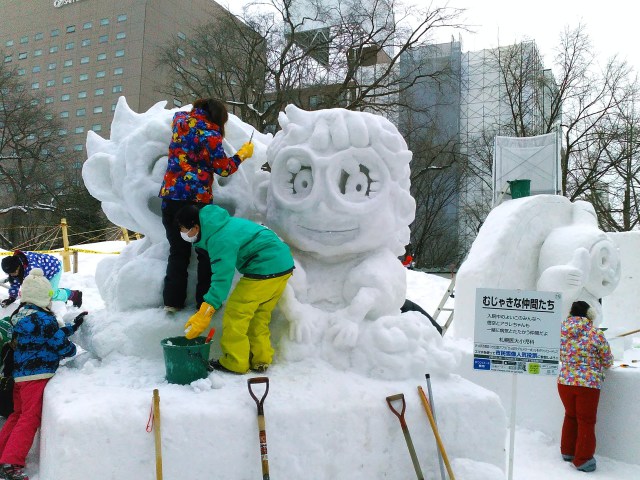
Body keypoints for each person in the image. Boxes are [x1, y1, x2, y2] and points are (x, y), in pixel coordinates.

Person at [158, 98, 254, 312]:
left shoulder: (179, 121)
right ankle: (205, 303)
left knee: (177, 252)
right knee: (205, 252)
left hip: (171, 197)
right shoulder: (211, 134)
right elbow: (224, 169)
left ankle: (172, 303)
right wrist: (241, 155)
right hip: (196, 202)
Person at [176, 204, 294, 374]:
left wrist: (206, 311)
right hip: (282, 265)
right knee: (259, 316)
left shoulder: (219, 237)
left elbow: (222, 278)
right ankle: (261, 359)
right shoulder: (220, 225)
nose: (183, 234)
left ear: (195, 227)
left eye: (184, 229)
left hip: (264, 267)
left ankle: (235, 362)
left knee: (235, 314)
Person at [0, 268, 86, 480]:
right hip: (36, 376)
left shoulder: (21, 316)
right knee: (29, 418)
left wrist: (71, 327)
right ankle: (11, 462)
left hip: (21, 376)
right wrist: (73, 350)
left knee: (17, 415)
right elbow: (59, 343)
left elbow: (47, 334)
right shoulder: (44, 320)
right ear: (43, 297)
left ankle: (3, 452)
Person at [557, 300, 613, 473]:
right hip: (587, 385)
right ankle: (583, 460)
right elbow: (607, 360)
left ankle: (567, 451)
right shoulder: (595, 333)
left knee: (570, 416)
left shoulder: (561, 331)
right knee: (586, 421)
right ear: (590, 314)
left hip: (564, 382)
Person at [1, 251, 82, 309]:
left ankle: (74, 295)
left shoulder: (33, 268)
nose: (12, 274)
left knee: (50, 294)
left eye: (13, 272)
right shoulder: (15, 267)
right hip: (42, 270)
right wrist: (11, 297)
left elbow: (39, 287)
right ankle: (60, 295)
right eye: (9, 273)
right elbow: (15, 282)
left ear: (18, 266)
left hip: (53, 268)